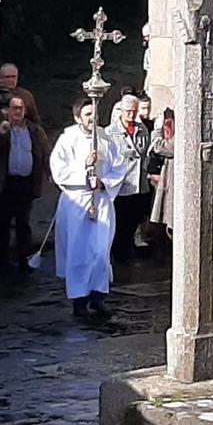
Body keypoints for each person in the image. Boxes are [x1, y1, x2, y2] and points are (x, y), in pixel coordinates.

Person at [50, 100, 134, 320]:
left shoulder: (105, 138)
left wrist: (103, 182)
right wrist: (84, 170)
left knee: (100, 253)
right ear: (78, 117)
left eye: (94, 114)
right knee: (79, 254)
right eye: (87, 114)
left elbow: (119, 167)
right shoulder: (67, 139)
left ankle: (98, 298)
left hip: (101, 201)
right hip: (78, 203)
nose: (92, 118)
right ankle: (79, 302)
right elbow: (58, 171)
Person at [0, 91, 51, 278]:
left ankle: (23, 260)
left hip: (26, 183)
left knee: (24, 224)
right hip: (4, 183)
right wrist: (0, 134)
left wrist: (50, 173)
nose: (17, 112)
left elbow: (46, 152)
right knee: (3, 224)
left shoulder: (34, 130)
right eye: (14, 108)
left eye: (21, 108)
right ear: (6, 110)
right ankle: (3, 261)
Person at [109, 94, 155, 258]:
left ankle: (127, 250)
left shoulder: (142, 130)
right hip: (122, 185)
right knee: (120, 222)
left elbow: (147, 153)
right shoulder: (111, 132)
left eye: (134, 111)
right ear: (121, 111)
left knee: (135, 219)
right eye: (128, 111)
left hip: (140, 184)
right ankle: (118, 254)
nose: (131, 115)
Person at [145, 108, 176, 251]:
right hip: (167, 179)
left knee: (172, 225)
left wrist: (157, 130)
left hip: (174, 183)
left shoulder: (182, 134)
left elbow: (160, 147)